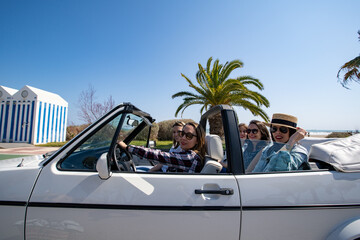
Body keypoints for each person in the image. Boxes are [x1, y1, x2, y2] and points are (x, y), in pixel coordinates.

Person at [118, 122, 206, 173]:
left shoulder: (190, 157)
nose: (183, 137)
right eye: (182, 133)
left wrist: (127, 147)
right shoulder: (187, 154)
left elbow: (160, 156)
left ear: (198, 140)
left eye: (189, 136)